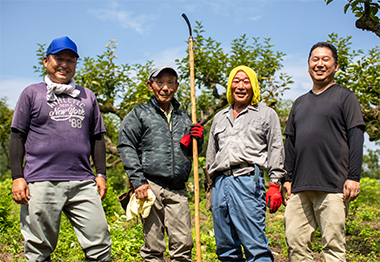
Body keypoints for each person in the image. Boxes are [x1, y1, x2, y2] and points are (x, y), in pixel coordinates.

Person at [10, 36, 112, 262]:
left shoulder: (87, 96)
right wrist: (18, 177)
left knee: (100, 246)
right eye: (59, 58)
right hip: (41, 179)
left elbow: (97, 138)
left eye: (71, 60)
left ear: (76, 64)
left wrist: (101, 174)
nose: (64, 64)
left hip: (83, 181)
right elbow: (17, 136)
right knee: (39, 249)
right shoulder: (32, 93)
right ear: (46, 61)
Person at [282, 42, 365, 262]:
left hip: (333, 185)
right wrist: (287, 178)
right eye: (315, 60)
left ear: (336, 66)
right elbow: (290, 143)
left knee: (333, 247)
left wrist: (353, 177)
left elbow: (356, 138)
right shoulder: (299, 103)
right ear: (308, 66)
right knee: (296, 244)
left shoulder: (346, 97)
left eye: (325, 59)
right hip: (299, 187)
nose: (320, 64)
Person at [117, 65, 203, 262]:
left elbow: (190, 152)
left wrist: (198, 138)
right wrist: (138, 181)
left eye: (170, 82)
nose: (165, 88)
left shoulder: (185, 117)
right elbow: (125, 145)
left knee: (183, 245)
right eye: (160, 82)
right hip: (150, 186)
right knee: (153, 246)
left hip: (178, 188)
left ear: (177, 86)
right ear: (150, 85)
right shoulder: (139, 114)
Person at [206, 65, 288, 261]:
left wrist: (275, 183)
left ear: (253, 86)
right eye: (236, 81)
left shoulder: (266, 114)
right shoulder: (219, 117)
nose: (241, 86)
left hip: (247, 181)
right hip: (220, 184)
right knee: (225, 248)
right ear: (229, 86)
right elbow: (212, 154)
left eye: (246, 81)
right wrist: (210, 186)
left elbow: (276, 148)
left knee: (255, 246)